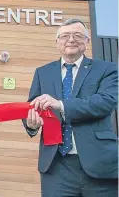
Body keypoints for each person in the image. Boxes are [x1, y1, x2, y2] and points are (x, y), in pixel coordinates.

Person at [23, 18, 118, 197]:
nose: (71, 39)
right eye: (65, 35)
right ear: (57, 42)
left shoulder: (106, 69)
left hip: (99, 164)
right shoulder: (42, 72)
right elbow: (33, 106)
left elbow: (106, 102)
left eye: (77, 35)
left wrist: (61, 105)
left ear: (87, 41)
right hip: (56, 165)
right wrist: (32, 124)